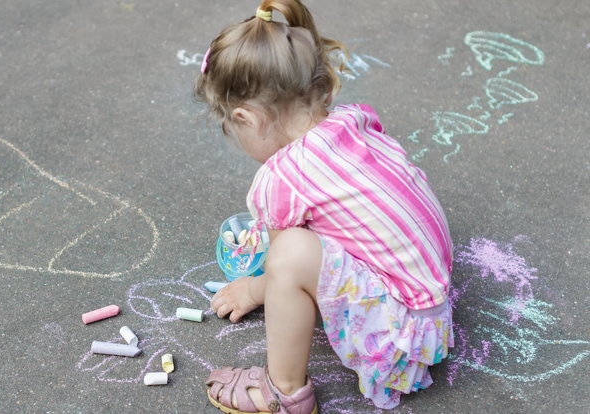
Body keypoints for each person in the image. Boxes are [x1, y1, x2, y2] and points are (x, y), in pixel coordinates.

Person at [194, 1, 454, 412]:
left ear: (249, 118)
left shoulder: (279, 178)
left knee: (291, 250)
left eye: (233, 127)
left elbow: (284, 263)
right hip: (432, 309)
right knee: (301, 245)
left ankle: (284, 392)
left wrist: (252, 289)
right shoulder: (355, 120)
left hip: (400, 336)